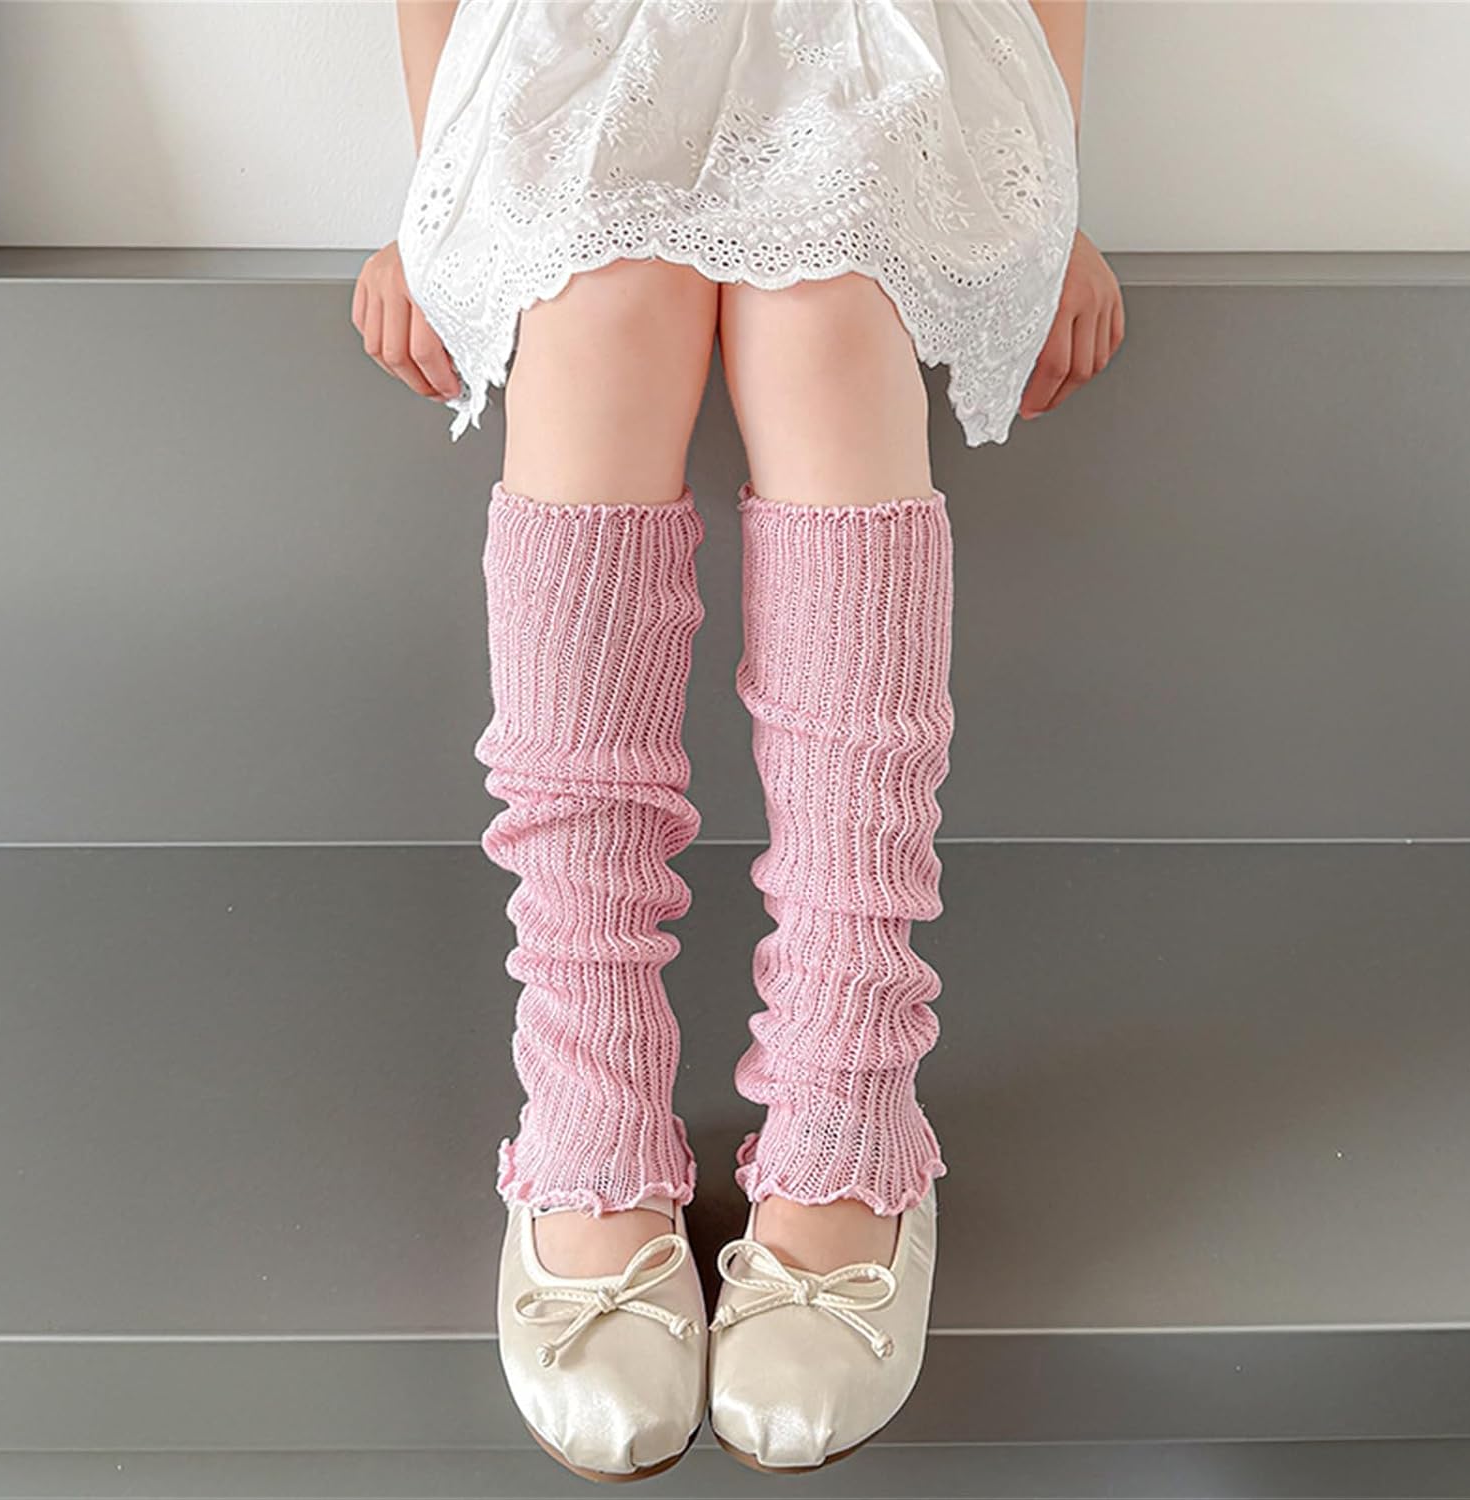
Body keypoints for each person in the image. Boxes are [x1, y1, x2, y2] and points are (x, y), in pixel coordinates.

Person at [353, 0, 1122, 1480]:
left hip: (876, 60)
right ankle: (587, 1095)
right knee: (599, 308)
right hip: (581, 62)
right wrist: (438, 190)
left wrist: (1045, 189)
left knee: (825, 313)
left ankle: (848, 1094)